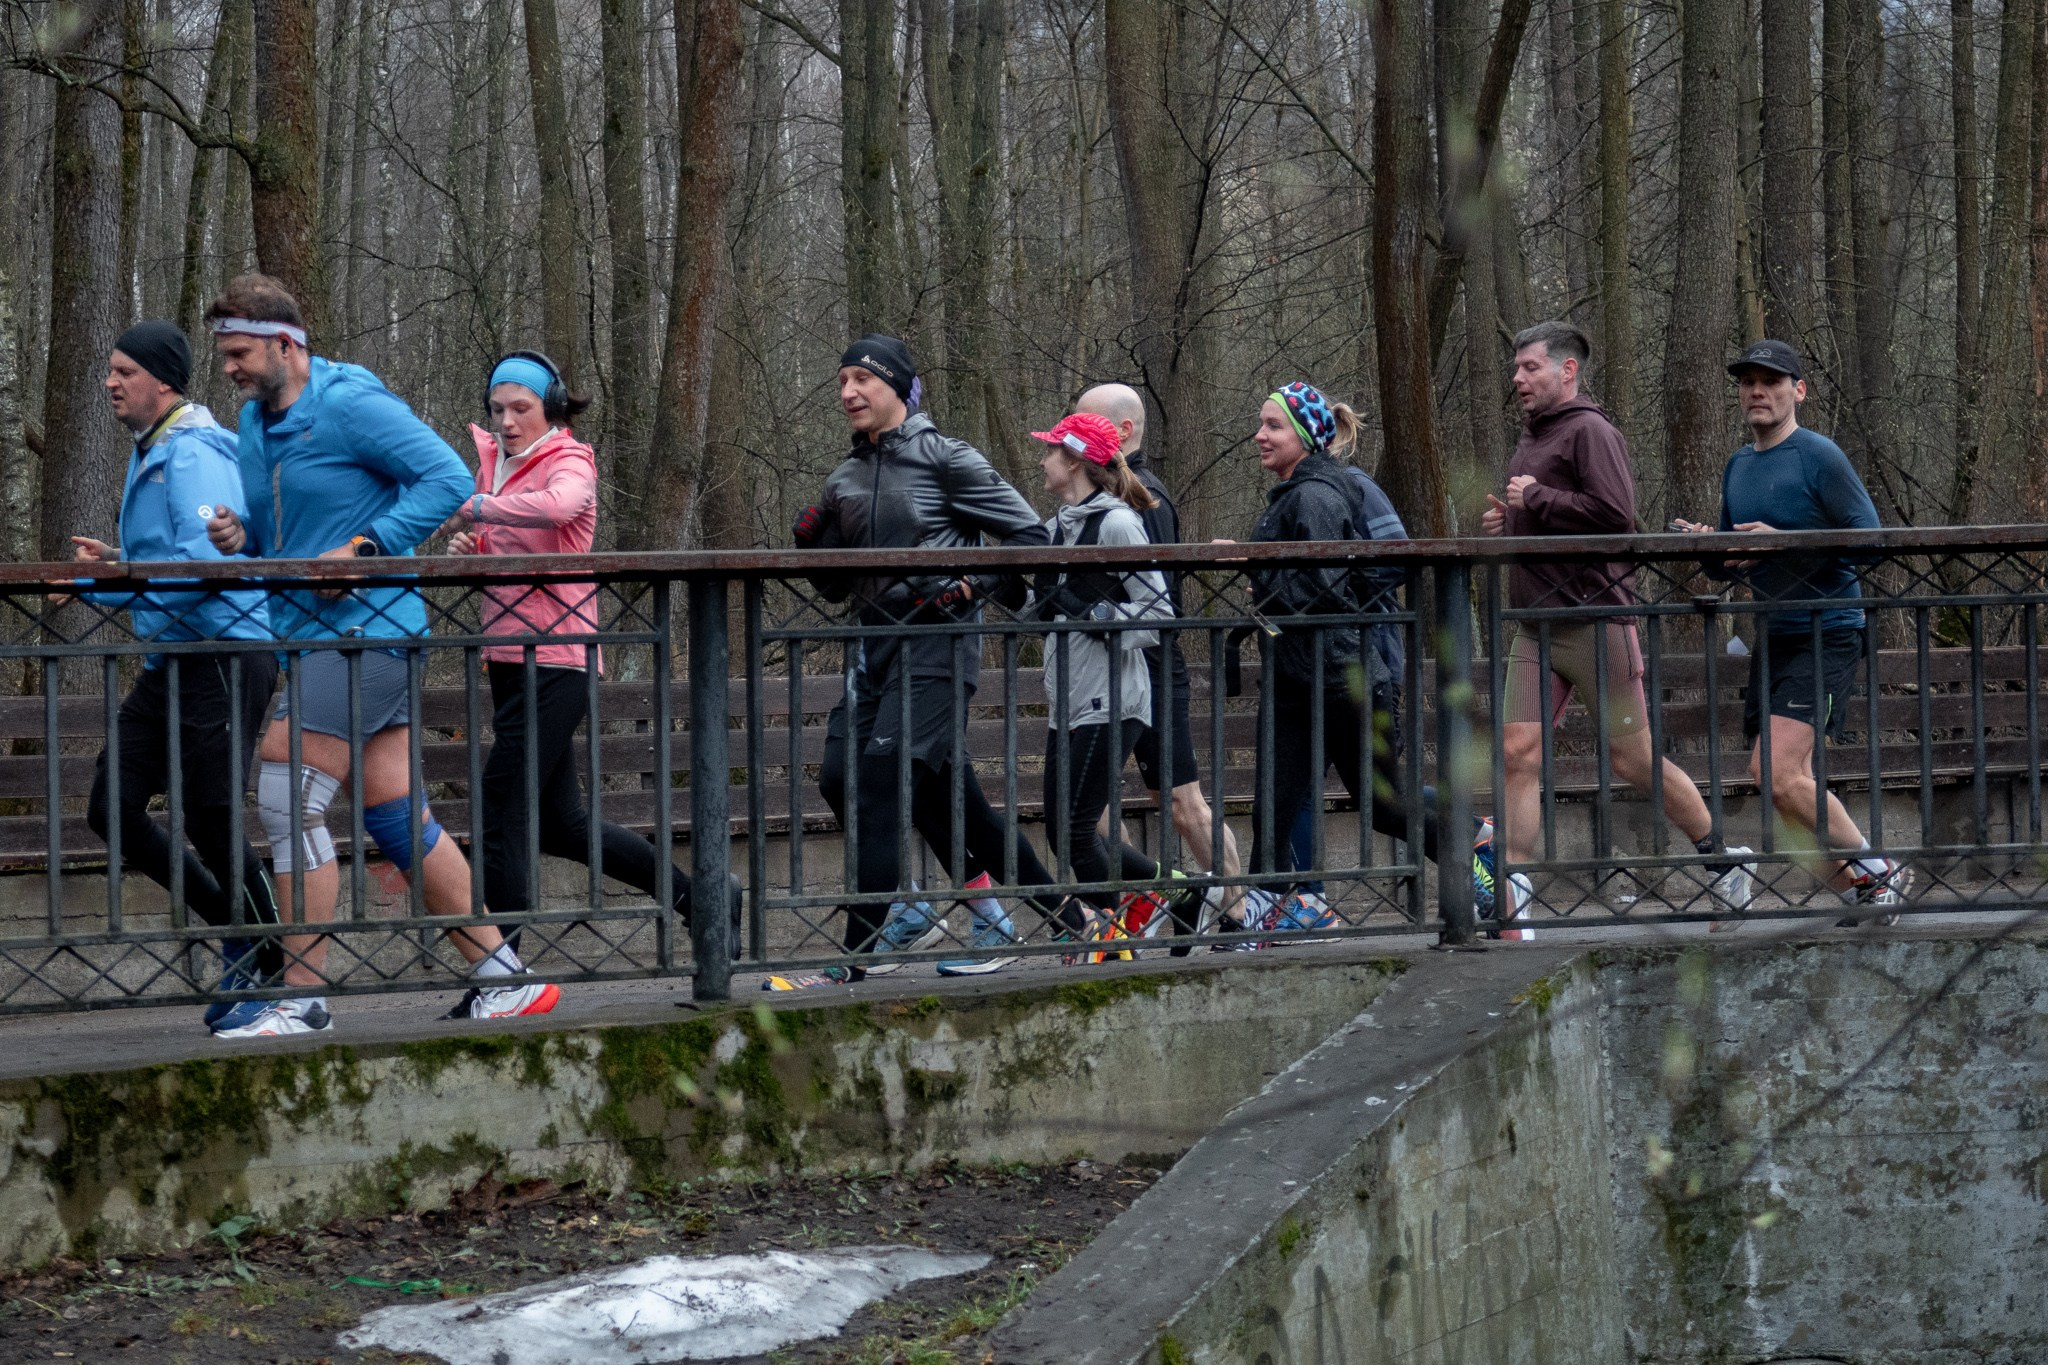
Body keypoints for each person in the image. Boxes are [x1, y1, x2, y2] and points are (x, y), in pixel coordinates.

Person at [200, 274, 557, 1034]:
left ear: (284, 344)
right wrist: (244, 538)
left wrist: (367, 547)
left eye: (237, 353)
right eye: (224, 354)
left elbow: (448, 477)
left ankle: (301, 997)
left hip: (369, 629)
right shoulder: (256, 422)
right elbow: (292, 536)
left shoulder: (350, 402)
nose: (228, 367)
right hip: (311, 636)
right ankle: (503, 976)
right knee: (396, 817)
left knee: (285, 792)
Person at [439, 350, 740, 1014]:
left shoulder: (568, 459)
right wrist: (476, 548)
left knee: (501, 802)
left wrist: (482, 508)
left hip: (560, 659)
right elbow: (511, 541)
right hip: (508, 658)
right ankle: (703, 898)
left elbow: (561, 509)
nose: (509, 421)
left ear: (549, 406)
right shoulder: (495, 463)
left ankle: (501, 974)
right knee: (563, 824)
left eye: (522, 408)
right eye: (499, 409)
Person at [783, 334, 1059, 986]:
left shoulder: (947, 458)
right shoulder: (844, 476)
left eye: (861, 379)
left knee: (881, 782)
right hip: (874, 648)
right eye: (841, 379)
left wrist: (972, 583)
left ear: (897, 387)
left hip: (938, 643)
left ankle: (850, 961)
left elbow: (1030, 539)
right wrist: (812, 544)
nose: (847, 391)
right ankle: (1066, 914)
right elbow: (832, 585)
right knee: (852, 779)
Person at [1483, 321, 1754, 928]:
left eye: (1530, 368)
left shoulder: (1591, 431)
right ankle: (1511, 897)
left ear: (1567, 370)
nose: (1519, 378)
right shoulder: (1533, 436)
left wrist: (1539, 504)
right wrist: (1515, 523)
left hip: (1596, 619)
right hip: (1534, 622)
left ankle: (1723, 862)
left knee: (1634, 761)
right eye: (1517, 368)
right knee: (1517, 752)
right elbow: (1549, 510)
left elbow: (1616, 518)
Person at [55, 320, 283, 1035]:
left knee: (212, 813)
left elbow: (197, 568)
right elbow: (170, 566)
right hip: (173, 657)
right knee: (111, 806)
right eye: (110, 369)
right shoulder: (152, 450)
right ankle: (242, 929)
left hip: (222, 649)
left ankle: (271, 965)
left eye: (124, 371)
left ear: (163, 381)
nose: (110, 382)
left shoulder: (191, 453)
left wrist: (117, 579)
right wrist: (113, 569)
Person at [1674, 339, 1907, 923]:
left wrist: (1787, 540)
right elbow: (1735, 560)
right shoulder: (1737, 464)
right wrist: (1712, 547)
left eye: (1772, 382)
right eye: (1748, 381)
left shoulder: (1819, 456)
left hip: (1827, 626)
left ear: (1797, 391)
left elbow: (1872, 542)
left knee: (1778, 772)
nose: (1758, 391)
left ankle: (1880, 869)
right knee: (1770, 781)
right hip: (1772, 633)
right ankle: (1861, 890)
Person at [1235, 381, 1475, 941]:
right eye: (1261, 424)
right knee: (1277, 798)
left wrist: (1262, 578)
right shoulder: (1298, 493)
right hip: (1301, 674)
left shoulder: (1317, 496)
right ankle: (1258, 916)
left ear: (1304, 435)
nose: (1260, 436)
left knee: (1385, 805)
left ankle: (1480, 853)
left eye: (1273, 426)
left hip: (1343, 676)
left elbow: (1329, 591)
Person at [1074, 384, 1244, 940]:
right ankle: (1145, 905)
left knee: (1182, 803)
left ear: (1122, 432)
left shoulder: (1145, 496)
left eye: (1085, 423)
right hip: (1105, 671)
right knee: (1089, 807)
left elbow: (1154, 600)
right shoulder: (1098, 495)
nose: (1073, 435)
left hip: (1151, 667)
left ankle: (1237, 916)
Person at [1024, 412, 1185, 947]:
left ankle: (1109, 938)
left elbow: (1159, 613)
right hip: (1066, 700)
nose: (1042, 460)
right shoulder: (1055, 529)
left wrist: (1093, 614)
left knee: (1074, 832)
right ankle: (1173, 889)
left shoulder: (1117, 524)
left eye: (1050, 451)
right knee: (1059, 832)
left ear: (1073, 461)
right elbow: (1041, 607)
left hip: (1115, 699)